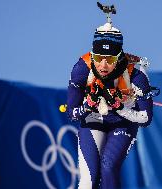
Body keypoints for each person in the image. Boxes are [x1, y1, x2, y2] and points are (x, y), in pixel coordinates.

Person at [67, 21, 153, 189]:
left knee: (108, 166)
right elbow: (71, 113)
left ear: (119, 57)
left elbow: (146, 118)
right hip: (94, 119)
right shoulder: (81, 69)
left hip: (122, 123)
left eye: (110, 59)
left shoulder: (136, 77)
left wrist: (121, 108)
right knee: (88, 181)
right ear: (92, 55)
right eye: (98, 58)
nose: (103, 65)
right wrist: (87, 106)